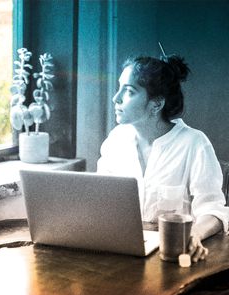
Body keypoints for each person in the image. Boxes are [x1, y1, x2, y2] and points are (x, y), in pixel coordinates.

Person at [97, 53, 229, 263]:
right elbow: (100, 199)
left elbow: (213, 210)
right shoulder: (116, 140)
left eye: (129, 91)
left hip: (173, 257)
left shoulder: (194, 143)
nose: (116, 98)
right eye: (119, 87)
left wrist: (193, 233)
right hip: (121, 254)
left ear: (156, 104)